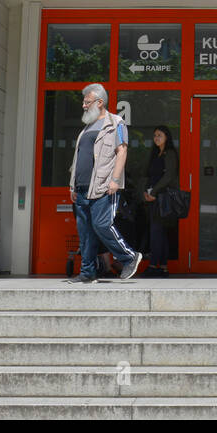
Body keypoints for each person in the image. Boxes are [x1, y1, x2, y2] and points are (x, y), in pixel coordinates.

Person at [66, 83, 142, 283]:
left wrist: (115, 180)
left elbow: (122, 151)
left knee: (101, 224)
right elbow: (78, 158)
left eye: (87, 101)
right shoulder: (87, 127)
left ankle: (129, 257)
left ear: (100, 102)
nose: (83, 105)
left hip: (103, 186)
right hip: (82, 188)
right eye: (84, 101)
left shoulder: (115, 123)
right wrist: (72, 185)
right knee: (85, 232)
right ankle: (87, 272)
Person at [141, 125, 180, 277]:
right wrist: (145, 191)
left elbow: (169, 176)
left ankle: (153, 266)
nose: (156, 138)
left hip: (162, 198)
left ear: (167, 137)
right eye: (155, 135)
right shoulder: (156, 154)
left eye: (160, 135)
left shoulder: (169, 154)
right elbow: (148, 175)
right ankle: (163, 267)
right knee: (159, 233)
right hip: (152, 197)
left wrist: (154, 191)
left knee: (157, 232)